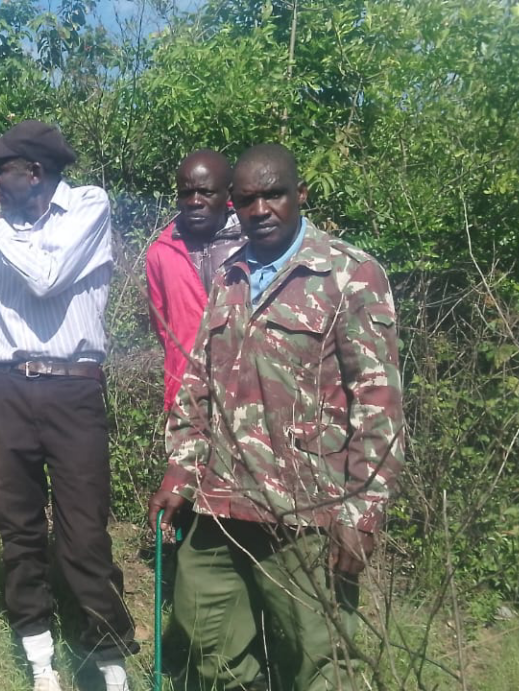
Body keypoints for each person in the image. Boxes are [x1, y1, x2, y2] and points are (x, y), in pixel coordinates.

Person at [147, 143, 405, 690]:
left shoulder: (350, 274)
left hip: (307, 511)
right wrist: (181, 467)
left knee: (323, 663)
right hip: (220, 503)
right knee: (209, 650)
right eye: (247, 200)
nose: (260, 209)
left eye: (274, 195)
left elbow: (378, 404)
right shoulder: (231, 274)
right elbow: (200, 380)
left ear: (300, 194)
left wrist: (363, 512)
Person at [0, 120, 138, 691]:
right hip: (6, 388)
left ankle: (108, 661)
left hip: (71, 390)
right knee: (18, 530)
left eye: (1, 169)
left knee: (83, 534)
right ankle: (41, 663)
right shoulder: (5, 233)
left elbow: (47, 278)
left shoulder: (88, 206)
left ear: (34, 172)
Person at [145, 150, 241, 413]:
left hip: (248, 397)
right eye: (186, 193)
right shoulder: (161, 254)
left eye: (205, 192)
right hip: (187, 397)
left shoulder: (252, 246)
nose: (194, 201)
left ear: (228, 194)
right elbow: (163, 328)